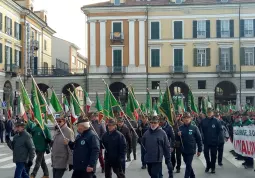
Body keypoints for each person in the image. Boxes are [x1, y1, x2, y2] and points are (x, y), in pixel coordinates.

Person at [178, 112, 202, 178]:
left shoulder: (194, 128)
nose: (186, 119)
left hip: (191, 149)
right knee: (187, 164)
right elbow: (177, 139)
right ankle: (192, 176)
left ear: (191, 118)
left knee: (188, 164)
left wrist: (199, 150)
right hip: (183, 149)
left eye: (188, 118)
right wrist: (178, 135)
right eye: (185, 118)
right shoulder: (180, 128)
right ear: (182, 119)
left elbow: (199, 139)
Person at [200, 108, 222, 173]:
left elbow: (219, 130)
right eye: (208, 112)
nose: (209, 114)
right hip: (206, 141)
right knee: (206, 154)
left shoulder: (216, 121)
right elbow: (201, 130)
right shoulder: (203, 121)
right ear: (206, 113)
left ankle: (213, 167)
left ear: (212, 113)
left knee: (213, 155)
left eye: (210, 112)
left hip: (214, 141)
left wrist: (218, 139)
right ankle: (208, 165)